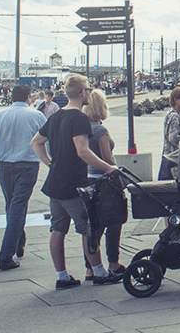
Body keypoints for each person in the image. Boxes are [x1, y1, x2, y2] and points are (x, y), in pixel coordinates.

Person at [30, 74, 121, 289]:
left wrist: (50, 163)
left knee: (58, 229)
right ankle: (99, 272)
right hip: (73, 183)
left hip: (55, 183)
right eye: (88, 89)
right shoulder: (79, 119)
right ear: (81, 93)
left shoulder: (56, 117)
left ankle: (62, 276)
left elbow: (36, 142)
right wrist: (109, 168)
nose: (89, 92)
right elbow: (83, 150)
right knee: (88, 228)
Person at [0, 84, 47, 270]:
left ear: (11, 97)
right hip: (28, 165)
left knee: (11, 204)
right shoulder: (36, 116)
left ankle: (18, 242)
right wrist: (50, 160)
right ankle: (6, 255)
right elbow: (48, 138)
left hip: (5, 166)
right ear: (28, 97)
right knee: (18, 205)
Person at [81, 89, 125, 281]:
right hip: (105, 181)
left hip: (87, 179)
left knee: (93, 225)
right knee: (114, 222)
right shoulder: (100, 131)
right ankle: (113, 264)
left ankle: (90, 267)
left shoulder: (82, 129)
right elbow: (107, 159)